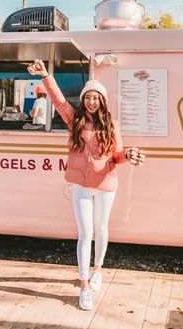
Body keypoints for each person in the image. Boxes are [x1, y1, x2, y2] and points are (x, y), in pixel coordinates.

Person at [27, 59, 145, 311]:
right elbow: (58, 101)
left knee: (101, 228)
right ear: (84, 100)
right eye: (88, 97)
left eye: (96, 97)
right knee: (85, 233)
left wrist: (130, 155)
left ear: (102, 101)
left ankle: (98, 270)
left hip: (105, 184)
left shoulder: (112, 126)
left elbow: (117, 155)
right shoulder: (75, 120)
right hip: (80, 185)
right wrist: (46, 75)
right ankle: (84, 286)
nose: (92, 101)